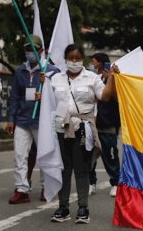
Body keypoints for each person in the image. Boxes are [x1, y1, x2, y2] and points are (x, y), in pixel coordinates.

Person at [45, 44, 116, 223]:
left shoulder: (91, 78)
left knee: (82, 169)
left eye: (77, 58)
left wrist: (112, 79)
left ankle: (83, 208)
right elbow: (48, 104)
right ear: (65, 59)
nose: (74, 61)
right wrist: (41, 90)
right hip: (60, 129)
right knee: (64, 168)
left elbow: (105, 96)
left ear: (83, 59)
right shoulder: (55, 79)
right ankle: (63, 208)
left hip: (83, 129)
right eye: (71, 58)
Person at [7, 35, 59, 204]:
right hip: (22, 119)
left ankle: (47, 187)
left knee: (44, 154)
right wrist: (11, 119)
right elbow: (15, 96)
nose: (30, 52)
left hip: (42, 121)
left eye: (33, 49)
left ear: (41, 51)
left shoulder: (51, 70)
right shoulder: (20, 70)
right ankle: (22, 189)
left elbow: (59, 95)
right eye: (27, 49)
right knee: (20, 155)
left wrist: (45, 92)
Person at [88, 52, 121, 198]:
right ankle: (90, 183)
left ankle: (115, 183)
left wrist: (111, 80)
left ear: (101, 63)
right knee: (88, 156)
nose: (92, 64)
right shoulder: (90, 79)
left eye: (94, 62)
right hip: (91, 125)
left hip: (107, 124)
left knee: (110, 156)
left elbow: (116, 98)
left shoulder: (114, 78)